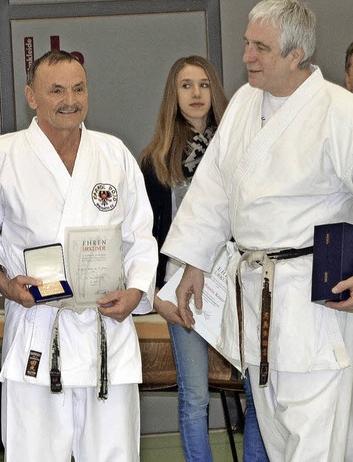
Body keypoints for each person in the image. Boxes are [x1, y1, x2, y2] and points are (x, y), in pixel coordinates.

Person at [161, 1, 353, 460]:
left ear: (296, 54)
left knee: (316, 442)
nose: (246, 56)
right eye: (247, 43)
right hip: (255, 296)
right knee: (275, 435)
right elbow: (213, 189)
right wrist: (194, 262)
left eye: (260, 48)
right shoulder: (246, 102)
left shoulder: (338, 109)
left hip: (314, 299)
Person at [0, 50, 158, 461]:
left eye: (78, 88)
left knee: (115, 454)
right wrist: (6, 286)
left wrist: (137, 292)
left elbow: (141, 236)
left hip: (105, 329)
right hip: (38, 326)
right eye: (56, 90)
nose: (69, 99)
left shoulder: (114, 154)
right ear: (31, 97)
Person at [141, 55, 268, 462]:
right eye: (185, 85)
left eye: (204, 84)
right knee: (195, 397)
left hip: (238, 281)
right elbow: (144, 237)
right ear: (172, 96)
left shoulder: (242, 151)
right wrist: (154, 295)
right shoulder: (155, 160)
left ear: (216, 91)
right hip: (183, 287)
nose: (196, 94)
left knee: (257, 393)